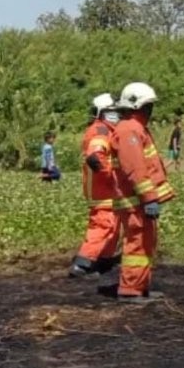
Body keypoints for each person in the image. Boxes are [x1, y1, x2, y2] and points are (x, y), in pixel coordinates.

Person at [111, 81, 176, 303]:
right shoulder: (129, 130)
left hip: (138, 200)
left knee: (145, 242)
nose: (151, 110)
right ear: (138, 106)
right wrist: (149, 197)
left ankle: (140, 286)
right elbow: (136, 169)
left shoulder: (135, 129)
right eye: (148, 106)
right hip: (135, 202)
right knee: (137, 244)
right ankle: (130, 290)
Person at [69, 93, 125, 281]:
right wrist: (111, 178)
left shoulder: (105, 130)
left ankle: (103, 261)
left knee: (113, 227)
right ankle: (82, 264)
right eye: (114, 111)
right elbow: (95, 157)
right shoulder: (100, 131)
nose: (118, 115)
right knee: (103, 226)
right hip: (103, 190)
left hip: (108, 191)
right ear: (105, 112)